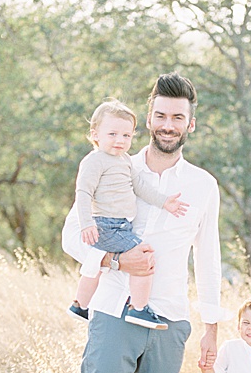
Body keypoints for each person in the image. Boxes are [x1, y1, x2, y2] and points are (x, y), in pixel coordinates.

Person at [41, 73, 222, 373]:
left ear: (190, 123)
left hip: (171, 320)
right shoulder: (111, 164)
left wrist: (210, 325)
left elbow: (208, 256)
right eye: (160, 115)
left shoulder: (203, 186)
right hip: (114, 311)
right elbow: (72, 236)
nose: (168, 124)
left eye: (177, 117)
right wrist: (117, 262)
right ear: (149, 117)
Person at [68, 99, 188, 330]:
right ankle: (139, 309)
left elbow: (141, 186)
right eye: (112, 134)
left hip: (120, 225)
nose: (119, 141)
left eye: (126, 135)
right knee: (144, 258)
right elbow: (83, 193)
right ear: (95, 134)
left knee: (96, 266)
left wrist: (165, 203)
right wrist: (86, 224)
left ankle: (80, 304)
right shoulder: (94, 161)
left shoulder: (124, 161)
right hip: (105, 224)